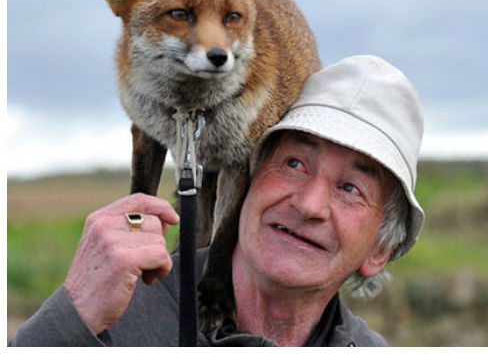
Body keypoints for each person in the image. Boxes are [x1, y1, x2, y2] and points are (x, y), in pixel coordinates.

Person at [10, 55, 425, 346]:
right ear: (244, 178)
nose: (309, 204)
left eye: (351, 189)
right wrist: (71, 319)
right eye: (295, 163)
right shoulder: (111, 320)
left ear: (380, 250)